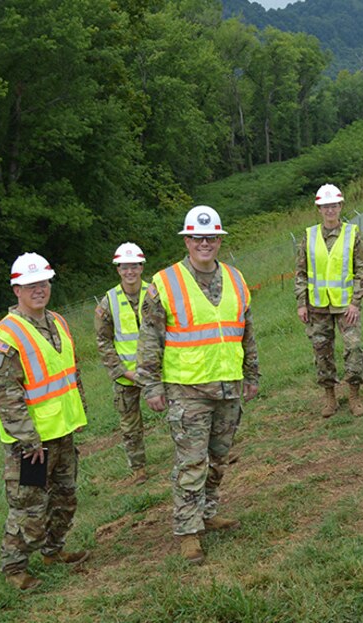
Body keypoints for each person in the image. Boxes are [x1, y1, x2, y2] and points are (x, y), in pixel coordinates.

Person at [136, 205, 260, 564]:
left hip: (228, 387)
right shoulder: (165, 282)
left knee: (219, 458)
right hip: (187, 390)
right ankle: (188, 532)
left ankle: (207, 512)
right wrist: (152, 387)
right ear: (187, 241)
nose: (204, 243)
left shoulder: (236, 279)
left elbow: (246, 333)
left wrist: (252, 374)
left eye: (211, 238)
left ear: (219, 240)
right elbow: (149, 339)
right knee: (192, 462)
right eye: (196, 238)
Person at [0, 252, 90, 590]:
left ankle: (53, 551)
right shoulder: (7, 335)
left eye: (43, 282)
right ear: (16, 289)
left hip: (62, 432)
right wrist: (28, 439)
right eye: (30, 284)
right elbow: (8, 396)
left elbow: (70, 373)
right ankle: (15, 570)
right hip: (31, 445)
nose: (39, 289)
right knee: (29, 508)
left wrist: (79, 412)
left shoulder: (57, 321)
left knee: (65, 499)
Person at [295, 183, 363, 417]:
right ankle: (330, 397)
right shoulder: (309, 236)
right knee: (321, 352)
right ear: (319, 208)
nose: (330, 210)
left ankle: (354, 395)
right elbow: (300, 272)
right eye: (325, 206)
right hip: (317, 307)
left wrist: (356, 301)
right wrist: (301, 303)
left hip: (346, 305)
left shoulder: (352, 234)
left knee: (354, 348)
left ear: (340, 206)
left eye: (334, 205)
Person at [95, 242, 150, 484]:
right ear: (118, 269)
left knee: (179, 412)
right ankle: (138, 467)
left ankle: (188, 455)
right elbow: (103, 342)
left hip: (157, 370)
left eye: (134, 266)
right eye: (124, 267)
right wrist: (124, 372)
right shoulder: (108, 301)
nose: (130, 271)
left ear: (141, 267)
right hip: (125, 377)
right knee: (130, 424)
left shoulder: (155, 292)